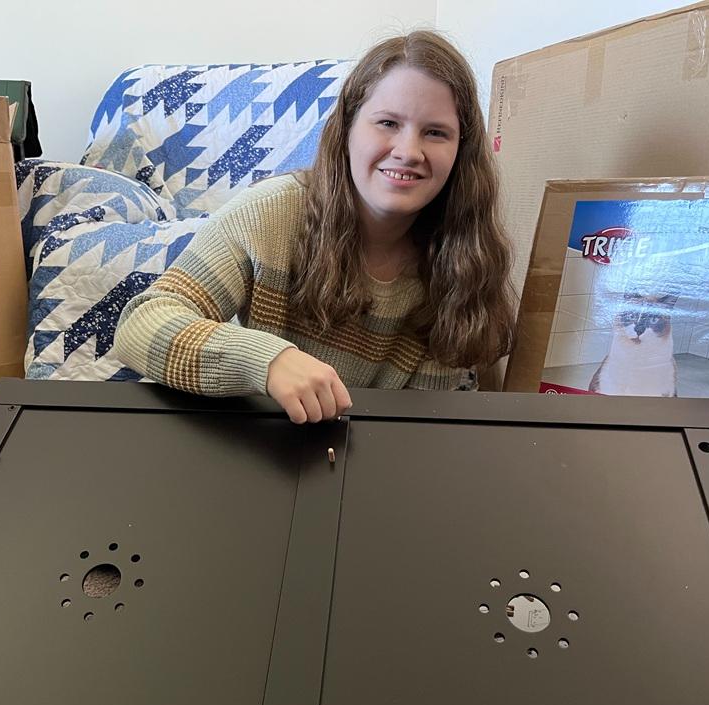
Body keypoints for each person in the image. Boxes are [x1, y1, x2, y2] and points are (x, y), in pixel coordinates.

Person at [113, 30, 516, 424]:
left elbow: (421, 429)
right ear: (346, 130)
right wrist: (267, 361)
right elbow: (140, 325)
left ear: (461, 150)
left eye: (435, 132)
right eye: (388, 123)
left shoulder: (463, 262)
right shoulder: (269, 213)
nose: (409, 152)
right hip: (253, 444)